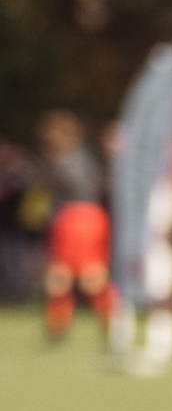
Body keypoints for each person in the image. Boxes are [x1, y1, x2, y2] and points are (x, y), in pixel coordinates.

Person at [35, 111, 112, 345]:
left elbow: (53, 186)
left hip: (76, 219)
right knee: (82, 275)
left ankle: (64, 328)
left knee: (69, 275)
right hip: (90, 218)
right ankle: (65, 328)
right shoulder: (86, 157)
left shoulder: (65, 161)